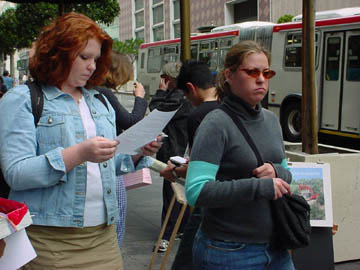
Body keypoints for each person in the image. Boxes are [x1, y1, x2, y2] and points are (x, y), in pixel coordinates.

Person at [0, 12, 161, 270]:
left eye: (96, 59)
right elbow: (16, 173)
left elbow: (108, 163)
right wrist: (79, 154)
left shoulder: (99, 99)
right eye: (84, 57)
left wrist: (137, 152)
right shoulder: (22, 99)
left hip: (104, 236)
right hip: (49, 240)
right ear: (57, 53)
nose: (92, 66)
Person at [185, 40, 294, 270]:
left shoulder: (272, 121)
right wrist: (260, 187)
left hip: (277, 247)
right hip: (228, 251)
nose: (261, 79)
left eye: (266, 72)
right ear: (229, 75)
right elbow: (197, 191)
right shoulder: (216, 124)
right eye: (252, 71)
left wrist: (277, 171)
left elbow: (287, 173)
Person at [158, 60, 218, 270]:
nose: (187, 100)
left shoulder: (198, 116)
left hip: (207, 197)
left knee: (185, 261)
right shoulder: (231, 106)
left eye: (186, 94)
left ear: (191, 88)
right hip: (235, 200)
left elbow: (198, 166)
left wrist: (174, 170)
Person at [95, 50, 148, 248]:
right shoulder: (104, 92)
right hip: (109, 165)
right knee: (115, 223)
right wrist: (140, 98)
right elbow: (131, 121)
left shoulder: (94, 91)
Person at [149, 62, 193, 252]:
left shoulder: (178, 97)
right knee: (177, 193)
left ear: (169, 79)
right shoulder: (180, 95)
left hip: (176, 151)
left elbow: (156, 110)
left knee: (172, 193)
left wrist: (160, 91)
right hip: (179, 149)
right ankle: (180, 228)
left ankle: (167, 235)